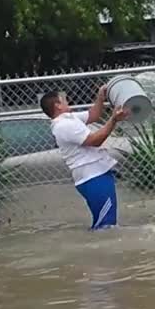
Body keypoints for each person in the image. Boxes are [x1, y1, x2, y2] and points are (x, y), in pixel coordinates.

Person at [40, 86, 130, 230]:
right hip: (93, 176)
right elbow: (95, 141)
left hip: (95, 174)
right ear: (57, 105)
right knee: (106, 224)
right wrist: (113, 120)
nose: (67, 101)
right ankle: (102, 250)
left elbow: (93, 115)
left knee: (103, 222)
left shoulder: (69, 119)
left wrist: (100, 97)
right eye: (63, 100)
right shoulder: (63, 125)